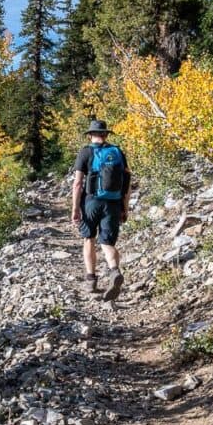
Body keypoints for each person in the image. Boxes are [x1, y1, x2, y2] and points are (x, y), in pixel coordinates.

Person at [71, 120, 132, 301]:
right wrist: (125, 207)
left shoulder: (85, 152)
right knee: (107, 242)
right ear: (106, 135)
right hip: (113, 202)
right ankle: (114, 271)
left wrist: (75, 209)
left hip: (91, 201)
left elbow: (77, 183)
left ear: (90, 135)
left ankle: (91, 280)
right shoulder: (117, 152)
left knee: (89, 239)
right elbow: (127, 183)